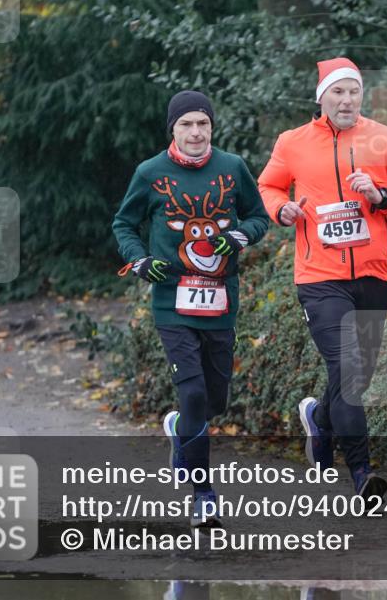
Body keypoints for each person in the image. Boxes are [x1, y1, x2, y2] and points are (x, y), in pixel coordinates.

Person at [258, 58, 387, 498]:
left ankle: (319, 419)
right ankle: (362, 474)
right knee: (349, 369)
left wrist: (382, 196)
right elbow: (268, 187)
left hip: (373, 275)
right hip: (319, 278)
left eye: (354, 91)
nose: (347, 100)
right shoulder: (293, 142)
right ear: (322, 98)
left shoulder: (385, 139)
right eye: (338, 92)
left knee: (358, 374)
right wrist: (281, 209)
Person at [113, 90, 269, 527]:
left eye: (203, 123)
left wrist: (239, 236)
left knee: (214, 401)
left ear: (212, 128)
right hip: (172, 301)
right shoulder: (150, 172)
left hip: (221, 301)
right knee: (195, 393)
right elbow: (124, 223)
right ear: (173, 129)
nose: (196, 132)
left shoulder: (233, 167)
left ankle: (181, 428)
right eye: (186, 124)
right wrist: (139, 260)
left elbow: (258, 217)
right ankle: (204, 495)